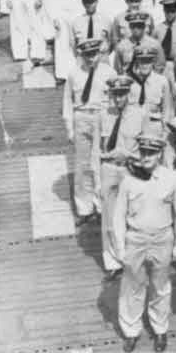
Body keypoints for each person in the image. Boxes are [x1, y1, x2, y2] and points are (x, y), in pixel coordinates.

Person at [112, 133, 176, 353]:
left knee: (160, 287)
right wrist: (120, 248)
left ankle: (160, 329)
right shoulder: (128, 179)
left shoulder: (172, 178)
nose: (146, 157)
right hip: (136, 239)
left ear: (160, 154)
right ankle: (131, 331)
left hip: (162, 238)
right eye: (143, 152)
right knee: (132, 287)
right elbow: (118, 216)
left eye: (151, 153)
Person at [94, 75, 147, 280]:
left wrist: (132, 157)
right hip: (108, 167)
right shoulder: (103, 114)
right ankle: (112, 261)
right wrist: (97, 180)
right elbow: (95, 149)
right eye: (115, 95)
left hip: (129, 169)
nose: (118, 99)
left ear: (129, 94)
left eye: (122, 94)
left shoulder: (140, 115)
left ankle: (132, 257)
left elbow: (147, 148)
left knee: (132, 215)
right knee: (109, 218)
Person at [64, 38, 116, 226]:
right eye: (87, 55)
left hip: (101, 117)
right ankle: (84, 208)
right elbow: (67, 103)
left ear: (99, 54)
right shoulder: (73, 74)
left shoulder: (109, 73)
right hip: (81, 116)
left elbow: (114, 101)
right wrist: (69, 127)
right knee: (81, 165)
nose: (91, 59)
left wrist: (111, 126)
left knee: (99, 163)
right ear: (81, 55)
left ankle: (100, 206)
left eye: (94, 54)